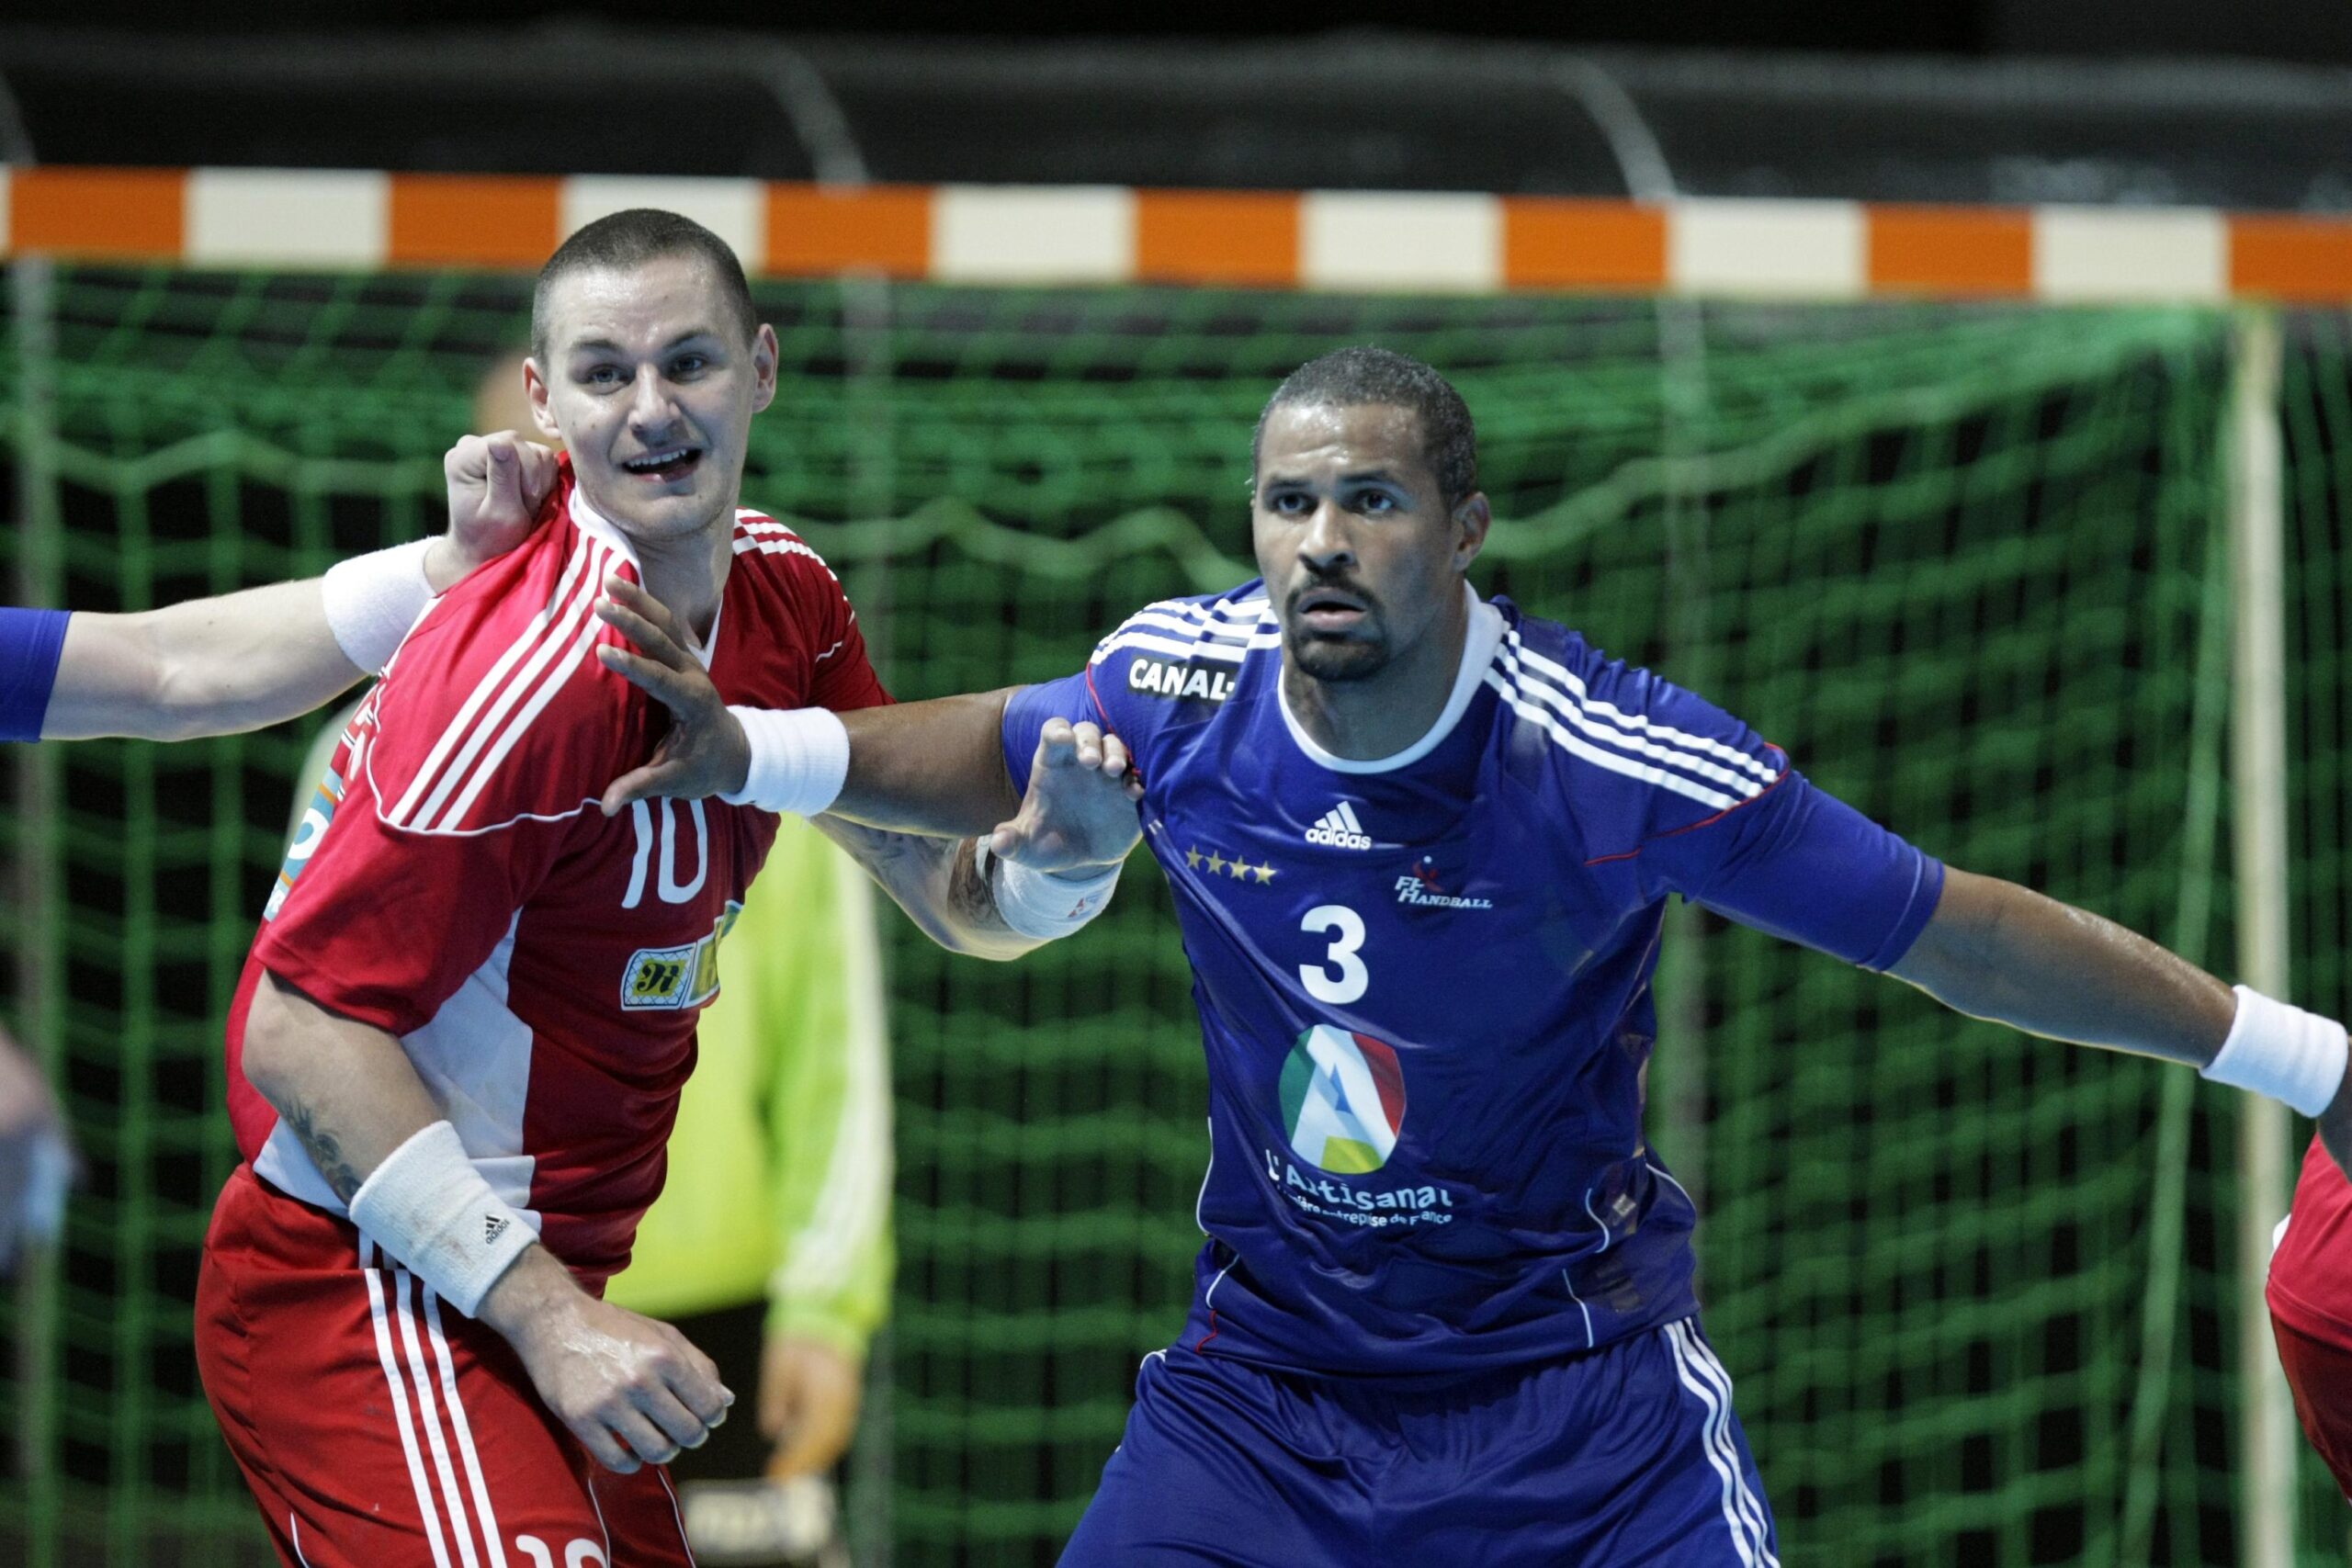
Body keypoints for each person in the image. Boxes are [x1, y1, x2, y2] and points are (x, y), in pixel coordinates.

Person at [585, 344, 2352, 1564]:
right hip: (1267, 1406)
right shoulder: (1181, 686)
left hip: (1577, 1415)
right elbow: (975, 743)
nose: (1321, 544)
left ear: (1466, 528)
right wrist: (748, 748)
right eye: (1288, 503)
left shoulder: (1609, 761)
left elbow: (1951, 933)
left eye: (1371, 500)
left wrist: (2312, 1061)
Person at [13, 208, 1135, 1568]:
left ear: (763, 368)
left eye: (690, 363)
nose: (652, 409)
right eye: (607, 373)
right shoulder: (528, 670)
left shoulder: (788, 600)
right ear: (547, 403)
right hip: (369, 1291)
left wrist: (1066, 866)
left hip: (559, 1280)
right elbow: (295, 1025)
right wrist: (546, 1313)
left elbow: (947, 893)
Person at [471, 347, 895, 1558]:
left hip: (719, 1314)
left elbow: (834, 1058)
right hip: (469, 1301)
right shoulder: (383, 740)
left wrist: (827, 1309)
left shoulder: (760, 747)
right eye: (524, 481)